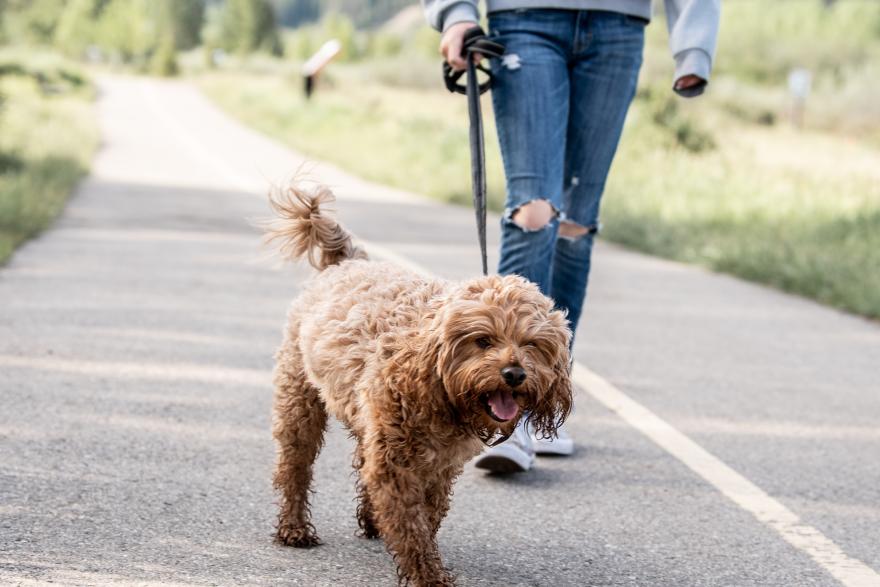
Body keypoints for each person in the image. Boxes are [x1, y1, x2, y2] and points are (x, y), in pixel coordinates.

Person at [422, 0, 720, 473]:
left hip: (619, 25)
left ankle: (543, 393)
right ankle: (506, 406)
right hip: (524, 19)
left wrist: (693, 45)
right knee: (533, 210)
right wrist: (456, 12)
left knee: (576, 223)